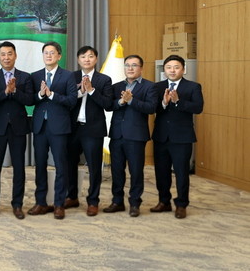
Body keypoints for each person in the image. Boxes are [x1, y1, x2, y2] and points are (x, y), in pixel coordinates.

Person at [0, 41, 35, 219]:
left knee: (19, 167)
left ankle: (17, 204)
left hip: (18, 128)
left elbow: (30, 100)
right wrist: (6, 91)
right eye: (3, 54)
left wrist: (15, 92)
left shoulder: (25, 77)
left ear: (15, 55)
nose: (6, 57)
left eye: (9, 54)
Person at [151, 54, 204, 219]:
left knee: (181, 173)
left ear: (183, 69)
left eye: (176, 67)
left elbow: (198, 108)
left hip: (182, 138)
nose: (172, 70)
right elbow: (151, 108)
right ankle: (164, 202)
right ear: (164, 70)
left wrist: (178, 101)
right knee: (161, 172)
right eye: (168, 67)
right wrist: (164, 103)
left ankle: (181, 205)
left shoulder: (193, 87)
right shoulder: (157, 87)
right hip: (161, 137)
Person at [29, 41, 78, 220]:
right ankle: (41, 202)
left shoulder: (68, 76)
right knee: (40, 165)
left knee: (61, 166)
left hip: (59, 128)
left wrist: (52, 95)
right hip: (40, 127)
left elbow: (72, 101)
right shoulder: (35, 76)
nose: (48, 56)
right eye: (46, 53)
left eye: (52, 53)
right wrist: (41, 95)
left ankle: (59, 204)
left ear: (59, 56)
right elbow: (30, 100)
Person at [104, 54, 156, 217]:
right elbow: (109, 106)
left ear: (141, 68)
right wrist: (121, 102)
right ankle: (117, 201)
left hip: (136, 136)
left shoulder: (149, 86)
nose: (130, 68)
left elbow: (151, 108)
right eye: (127, 65)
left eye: (134, 65)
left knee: (136, 171)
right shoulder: (116, 86)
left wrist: (132, 100)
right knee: (116, 170)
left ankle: (135, 203)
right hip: (117, 135)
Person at [65, 45, 113, 216]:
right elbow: (67, 101)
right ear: (78, 60)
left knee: (94, 167)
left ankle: (93, 201)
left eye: (90, 56)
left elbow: (108, 104)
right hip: (72, 128)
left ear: (96, 59)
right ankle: (72, 197)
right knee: (70, 164)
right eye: (83, 56)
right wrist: (80, 91)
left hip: (93, 130)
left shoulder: (104, 80)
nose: (87, 59)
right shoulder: (70, 77)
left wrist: (91, 91)